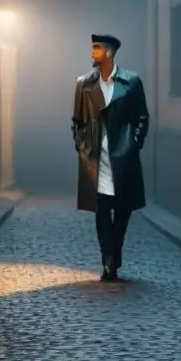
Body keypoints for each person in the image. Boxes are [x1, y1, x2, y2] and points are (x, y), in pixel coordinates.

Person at [72, 34, 149, 281]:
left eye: (97, 49)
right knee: (102, 209)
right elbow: (77, 121)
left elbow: (141, 117)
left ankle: (116, 248)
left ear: (109, 53)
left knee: (124, 209)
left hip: (123, 156)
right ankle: (107, 259)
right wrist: (81, 146)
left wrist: (134, 143)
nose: (93, 54)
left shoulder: (131, 82)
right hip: (96, 157)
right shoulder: (83, 84)